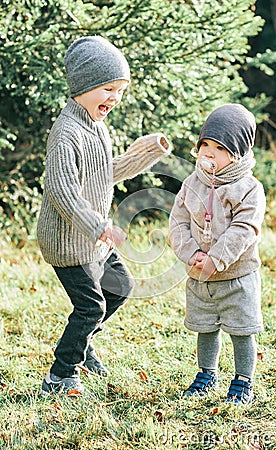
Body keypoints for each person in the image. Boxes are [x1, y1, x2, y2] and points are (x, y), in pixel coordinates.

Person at [37, 35, 171, 396]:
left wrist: (145, 153)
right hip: (68, 242)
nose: (115, 98)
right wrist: (100, 226)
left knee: (121, 287)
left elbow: (103, 171)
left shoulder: (95, 126)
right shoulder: (66, 134)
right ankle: (60, 375)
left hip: (94, 237)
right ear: (83, 85)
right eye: (108, 88)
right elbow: (62, 192)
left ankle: (83, 346)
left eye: (120, 91)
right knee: (91, 305)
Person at [169, 104, 266, 405]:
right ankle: (206, 374)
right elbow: (178, 221)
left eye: (219, 148)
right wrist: (192, 253)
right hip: (200, 276)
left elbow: (243, 229)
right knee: (205, 327)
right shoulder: (192, 183)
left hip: (237, 277)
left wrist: (216, 258)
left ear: (237, 153)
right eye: (205, 146)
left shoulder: (248, 189)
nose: (208, 153)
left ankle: (243, 380)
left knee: (241, 330)